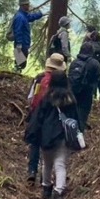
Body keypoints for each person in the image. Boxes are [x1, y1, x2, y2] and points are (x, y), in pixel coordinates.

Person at [24, 54, 77, 199]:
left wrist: (34, 133)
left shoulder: (46, 98)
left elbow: (38, 117)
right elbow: (75, 118)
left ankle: (46, 188)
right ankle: (58, 192)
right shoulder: (70, 98)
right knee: (60, 164)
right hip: (64, 135)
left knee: (47, 163)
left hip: (47, 135)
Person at [24, 52, 63, 184]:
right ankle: (44, 175)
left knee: (35, 143)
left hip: (37, 114)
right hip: (52, 117)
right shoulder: (61, 82)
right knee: (47, 145)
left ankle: (32, 171)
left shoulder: (39, 78)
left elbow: (31, 97)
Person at [67, 41, 100, 132]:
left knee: (71, 114)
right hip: (86, 93)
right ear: (92, 51)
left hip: (72, 92)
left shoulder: (74, 62)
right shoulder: (94, 63)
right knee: (82, 115)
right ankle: (79, 134)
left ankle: (69, 133)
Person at [12, 0, 46, 71]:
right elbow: (18, 31)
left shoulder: (23, 15)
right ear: (22, 5)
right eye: (26, 4)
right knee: (20, 64)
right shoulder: (20, 17)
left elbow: (31, 17)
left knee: (21, 63)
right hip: (21, 45)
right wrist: (19, 45)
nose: (28, 6)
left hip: (24, 44)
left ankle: (16, 73)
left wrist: (40, 14)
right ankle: (15, 74)